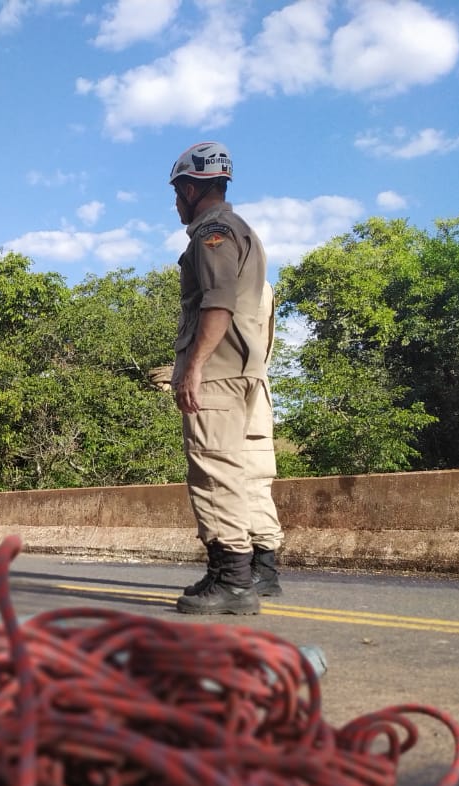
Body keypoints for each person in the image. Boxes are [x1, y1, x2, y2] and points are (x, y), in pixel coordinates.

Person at [167, 141, 283, 615]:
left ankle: (232, 579)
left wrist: (193, 366)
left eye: (177, 192)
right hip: (248, 373)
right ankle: (258, 570)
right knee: (247, 470)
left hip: (218, 373)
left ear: (193, 188)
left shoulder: (212, 232)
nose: (176, 203)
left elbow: (218, 302)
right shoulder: (244, 231)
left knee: (214, 469)